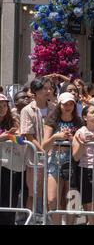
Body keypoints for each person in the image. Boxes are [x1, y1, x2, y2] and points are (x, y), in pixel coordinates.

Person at [41, 92, 82, 225]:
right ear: (59, 105)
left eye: (71, 104)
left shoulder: (79, 122)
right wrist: (55, 137)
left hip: (73, 161)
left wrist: (73, 139)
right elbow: (44, 146)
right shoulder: (51, 121)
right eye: (65, 104)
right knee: (52, 199)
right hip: (55, 161)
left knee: (72, 199)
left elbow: (82, 142)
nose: (68, 106)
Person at [20, 77, 55, 211]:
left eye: (49, 88)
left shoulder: (54, 107)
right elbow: (29, 135)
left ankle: (48, 219)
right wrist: (44, 150)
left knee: (50, 193)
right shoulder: (27, 110)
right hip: (35, 158)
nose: (48, 91)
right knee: (34, 193)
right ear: (35, 91)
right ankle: (31, 217)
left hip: (53, 158)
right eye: (44, 88)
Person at [0, 94, 25, 225]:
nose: (2, 108)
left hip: (11, 166)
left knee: (10, 199)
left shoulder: (13, 121)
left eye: (4, 105)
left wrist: (11, 136)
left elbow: (21, 141)